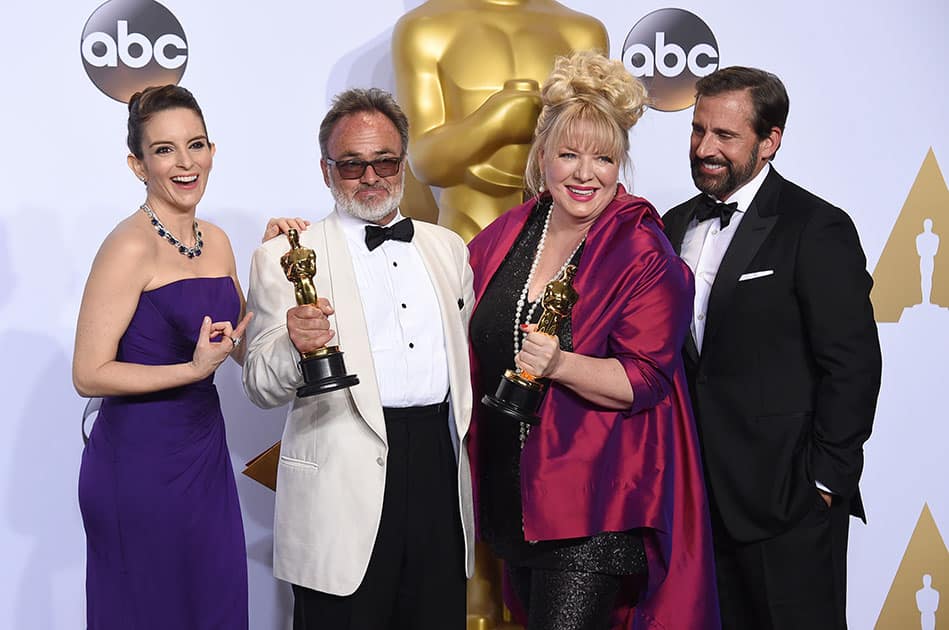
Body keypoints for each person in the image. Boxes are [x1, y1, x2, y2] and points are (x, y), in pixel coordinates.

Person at [467, 51, 719, 630]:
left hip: (592, 507)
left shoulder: (643, 251)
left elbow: (646, 380)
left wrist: (558, 363)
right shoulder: (511, 232)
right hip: (512, 497)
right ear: (542, 157)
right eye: (569, 155)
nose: (586, 174)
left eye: (603, 158)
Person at [242, 87, 474, 630]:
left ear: (404, 163)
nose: (370, 177)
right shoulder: (283, 255)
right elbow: (257, 381)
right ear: (326, 171)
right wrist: (293, 349)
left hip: (439, 474)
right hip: (340, 488)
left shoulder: (448, 249)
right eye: (351, 165)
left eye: (384, 161)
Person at [662, 66, 883, 630]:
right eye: (697, 131)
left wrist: (823, 485)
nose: (705, 148)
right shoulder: (672, 224)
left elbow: (852, 365)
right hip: (693, 506)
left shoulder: (816, 226)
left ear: (769, 142)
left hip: (788, 507)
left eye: (725, 136)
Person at [73, 85, 253, 629]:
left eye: (195, 145)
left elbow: (239, 342)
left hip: (203, 456)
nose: (185, 162)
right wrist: (192, 371)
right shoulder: (128, 246)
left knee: (214, 605)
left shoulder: (217, 241)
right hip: (138, 464)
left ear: (212, 151)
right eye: (165, 150)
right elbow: (88, 373)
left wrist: (278, 265)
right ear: (138, 164)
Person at [392, 0, 608, 241]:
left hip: (561, 231)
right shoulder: (424, 29)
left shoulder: (582, 32)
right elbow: (424, 161)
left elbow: (600, 151)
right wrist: (495, 122)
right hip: (470, 230)